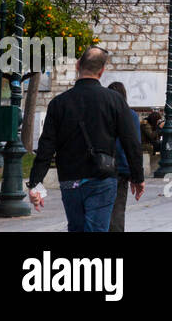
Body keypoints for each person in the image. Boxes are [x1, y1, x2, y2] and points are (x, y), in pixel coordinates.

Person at [27, 47, 144, 231]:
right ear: (102, 71)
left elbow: (46, 147)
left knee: (76, 227)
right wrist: (137, 177)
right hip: (102, 177)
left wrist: (36, 183)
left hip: (70, 179)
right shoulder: (114, 100)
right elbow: (131, 142)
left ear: (77, 65)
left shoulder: (59, 103)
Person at [106, 81, 141, 233]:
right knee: (118, 209)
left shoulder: (102, 114)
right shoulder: (130, 115)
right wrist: (136, 175)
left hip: (100, 167)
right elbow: (134, 146)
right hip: (121, 168)